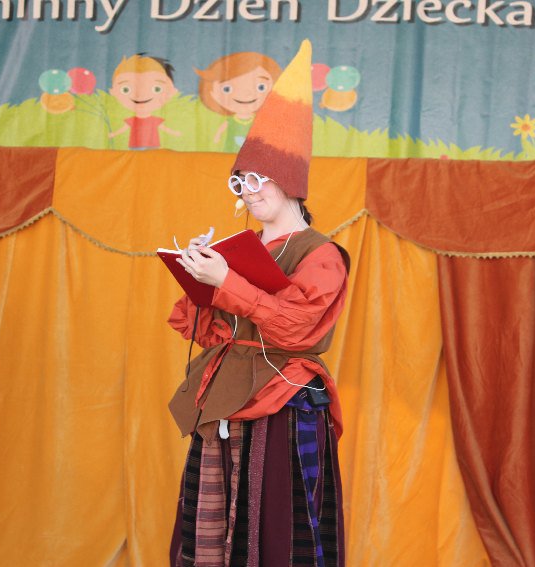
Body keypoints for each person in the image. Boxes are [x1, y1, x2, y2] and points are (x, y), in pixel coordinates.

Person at [166, 40, 349, 567]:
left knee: (274, 529)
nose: (247, 191)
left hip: (283, 402)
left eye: (257, 179)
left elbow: (296, 329)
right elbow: (207, 331)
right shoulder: (241, 250)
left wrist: (227, 280)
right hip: (224, 396)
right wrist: (199, 275)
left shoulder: (321, 254)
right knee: (211, 526)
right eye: (240, 182)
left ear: (289, 179)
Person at [195, 52, 282, 152]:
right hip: (229, 153)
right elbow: (221, 130)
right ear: (212, 93)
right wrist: (217, 138)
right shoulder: (230, 121)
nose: (245, 94)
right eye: (227, 89)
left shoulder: (258, 120)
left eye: (261, 87)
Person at [108, 54, 181, 149]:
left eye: (157, 89)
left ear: (172, 92)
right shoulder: (132, 120)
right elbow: (124, 128)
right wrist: (113, 134)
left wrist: (174, 133)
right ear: (113, 92)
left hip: (153, 146)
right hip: (135, 146)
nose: (140, 95)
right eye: (126, 89)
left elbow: (163, 128)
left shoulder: (154, 120)